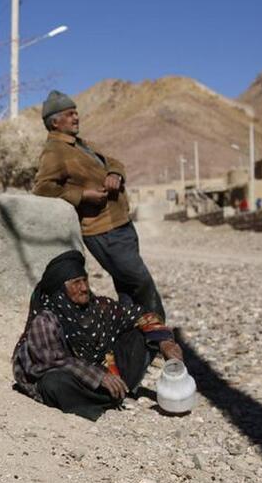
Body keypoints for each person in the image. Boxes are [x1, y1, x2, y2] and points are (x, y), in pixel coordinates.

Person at [33, 90, 165, 319]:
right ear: (55, 122)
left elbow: (113, 161)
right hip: (102, 231)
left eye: (76, 113)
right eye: (70, 114)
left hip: (120, 223)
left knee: (126, 287)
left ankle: (133, 345)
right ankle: (162, 337)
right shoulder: (54, 152)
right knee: (141, 282)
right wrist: (82, 195)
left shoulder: (82, 144)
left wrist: (114, 173)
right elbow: (43, 188)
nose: (76, 118)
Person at [12, 250, 183, 421]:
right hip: (77, 379)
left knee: (143, 335)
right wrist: (98, 376)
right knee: (53, 383)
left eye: (85, 280)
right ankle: (103, 399)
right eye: (76, 283)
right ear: (61, 289)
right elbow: (51, 360)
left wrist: (164, 341)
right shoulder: (46, 319)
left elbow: (140, 315)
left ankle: (116, 390)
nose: (85, 288)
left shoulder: (100, 306)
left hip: (109, 374)